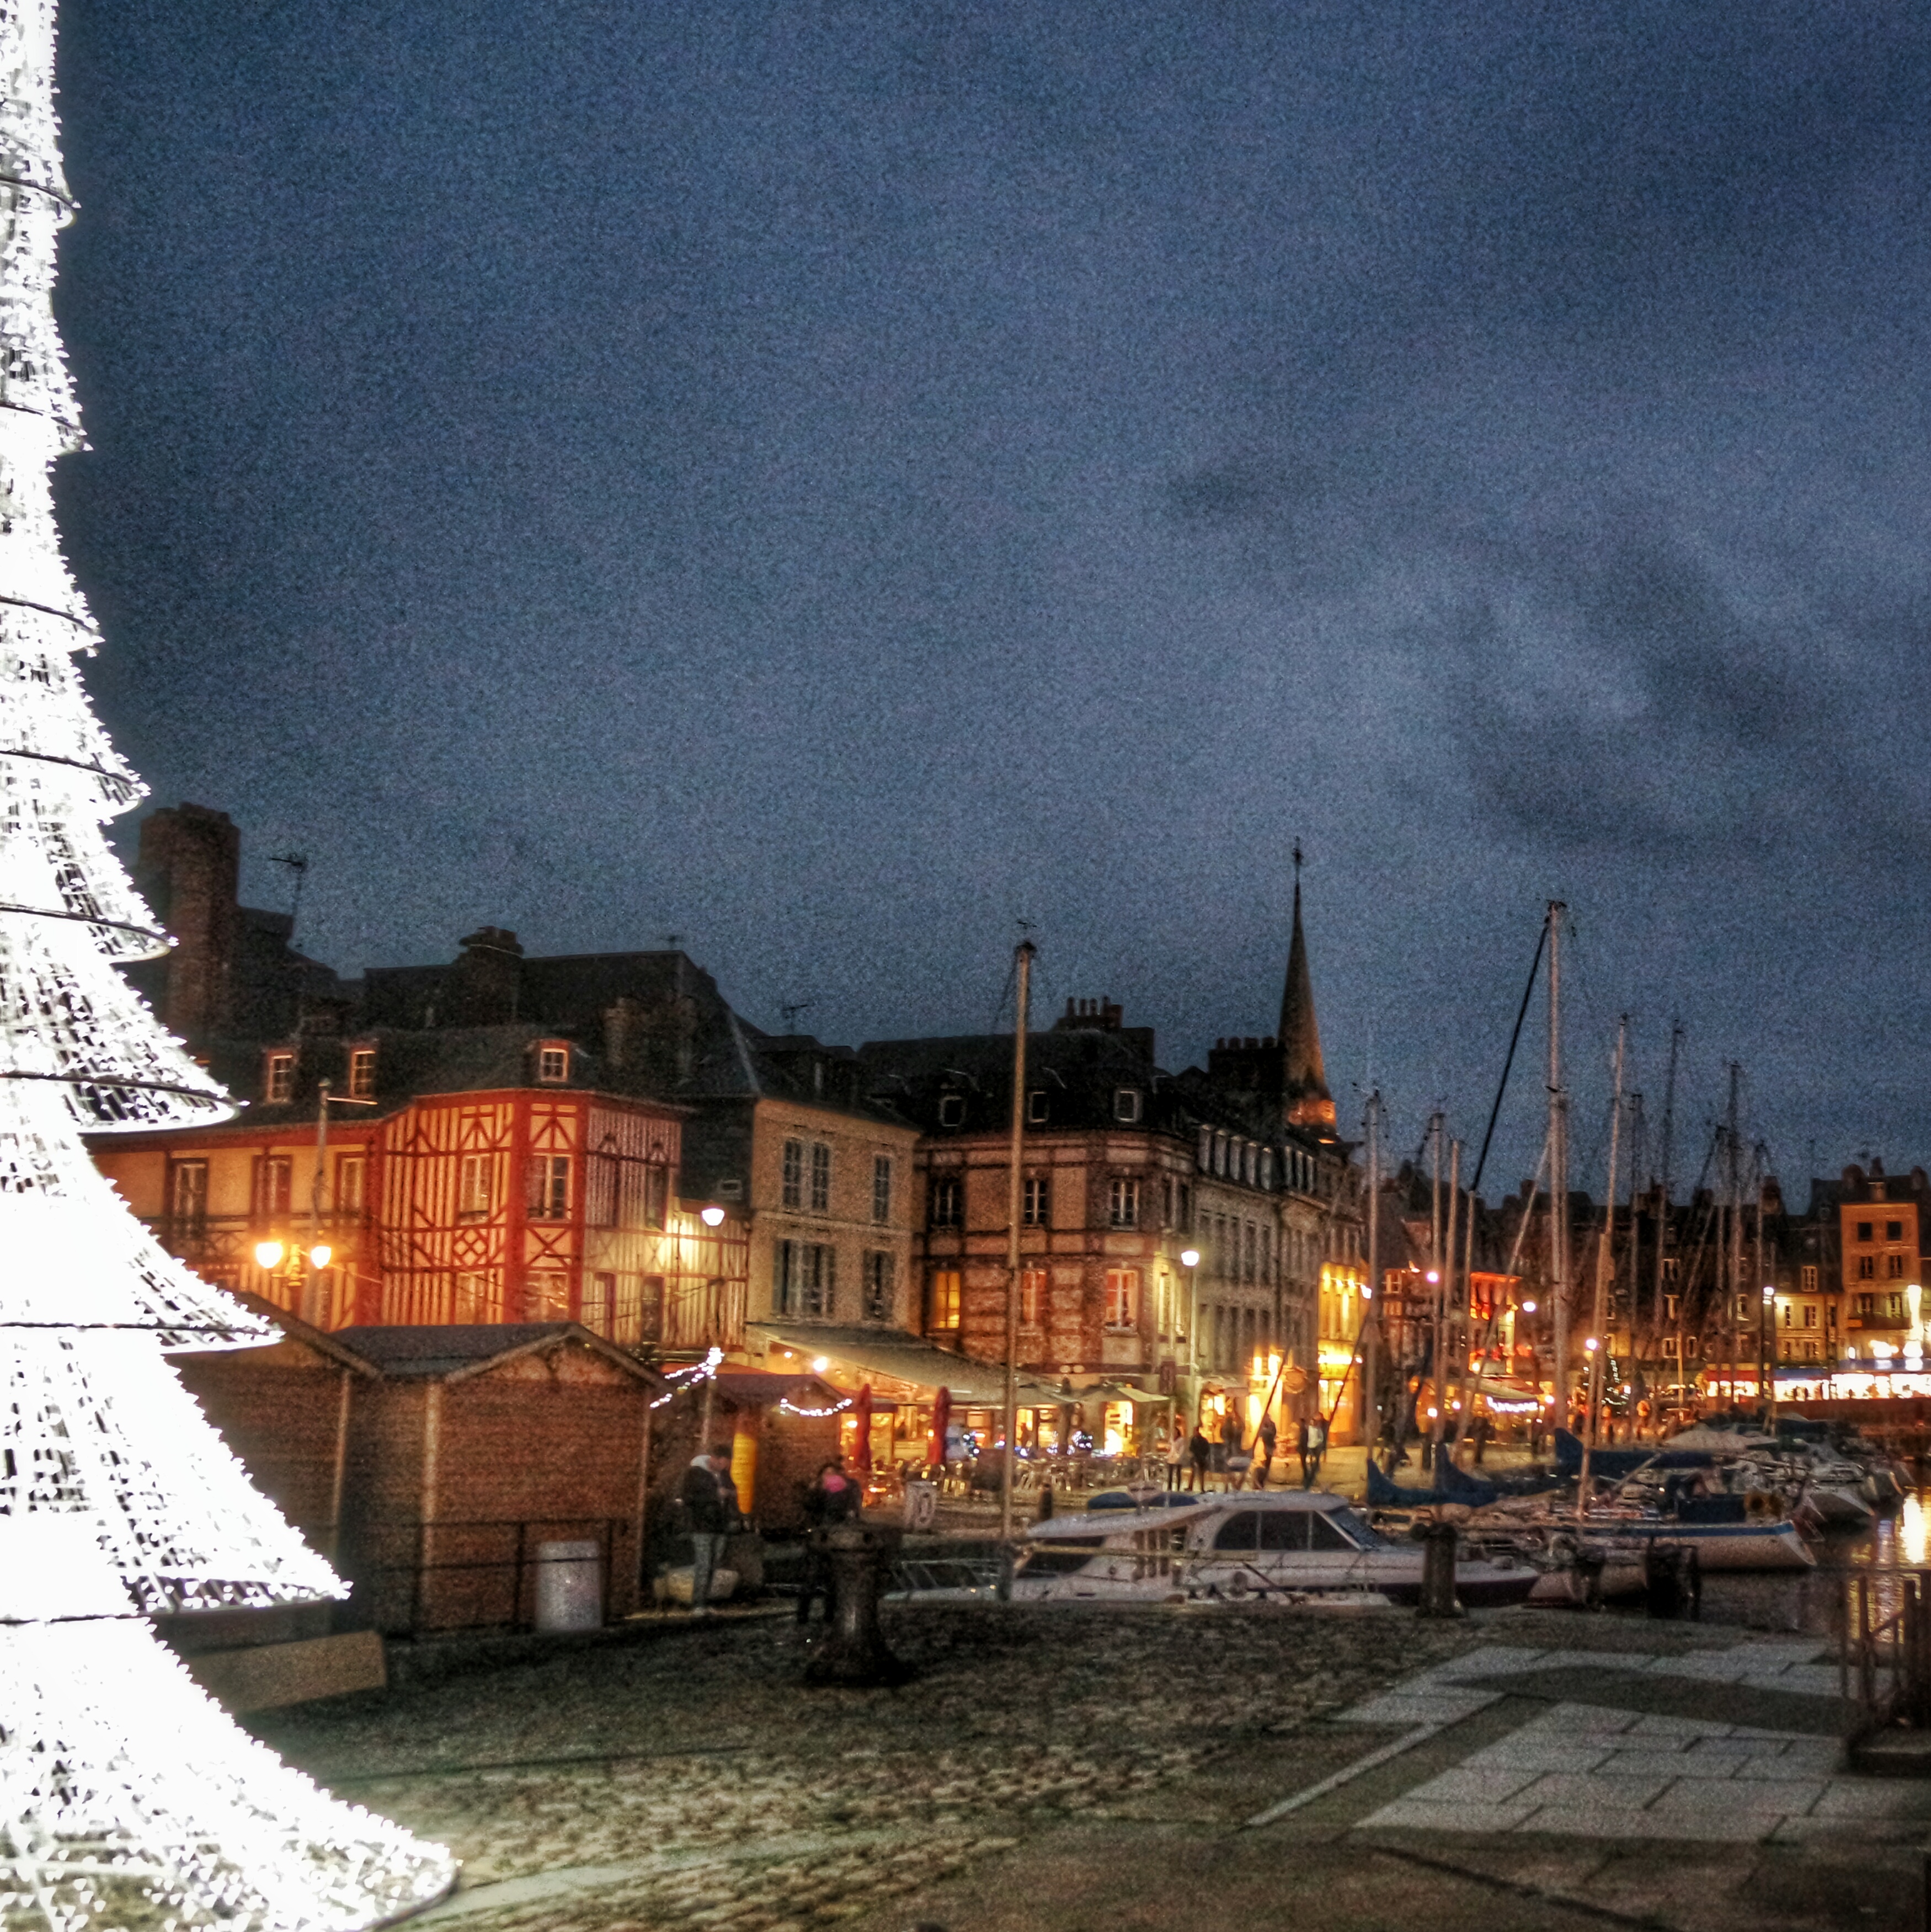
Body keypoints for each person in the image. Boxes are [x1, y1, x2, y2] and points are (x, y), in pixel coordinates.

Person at [797, 1455, 859, 1625]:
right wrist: (816, 1490)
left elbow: (851, 1510)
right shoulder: (817, 1488)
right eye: (827, 1474)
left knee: (833, 1579)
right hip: (818, 1538)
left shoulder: (846, 1490)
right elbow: (809, 1507)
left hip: (836, 1538)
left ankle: (829, 1615)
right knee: (811, 1578)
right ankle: (803, 1616)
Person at [680, 1443, 733, 1616]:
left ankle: (705, 1601)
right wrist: (715, 1496)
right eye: (723, 1463)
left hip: (719, 1525)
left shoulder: (723, 1475)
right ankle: (698, 1603)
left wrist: (730, 1495)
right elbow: (688, 1498)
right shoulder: (695, 1474)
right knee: (703, 1564)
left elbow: (733, 1490)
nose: (725, 1467)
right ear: (714, 1459)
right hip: (702, 1525)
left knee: (713, 1564)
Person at [1255, 1412, 1278, 1490]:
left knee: (1267, 1464)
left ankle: (1262, 1480)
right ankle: (1261, 1481)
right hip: (1265, 1447)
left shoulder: (1269, 1426)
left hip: (1269, 1447)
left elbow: (1272, 1434)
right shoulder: (1264, 1426)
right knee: (1264, 1465)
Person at [1187, 1424, 1212, 1492]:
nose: (1194, 1433)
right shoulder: (1194, 1440)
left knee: (1201, 1474)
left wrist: (1203, 1456)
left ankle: (1202, 1488)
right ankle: (1191, 1487)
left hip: (1201, 1458)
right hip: (1195, 1458)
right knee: (1193, 1473)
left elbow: (1206, 1449)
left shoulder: (1203, 1440)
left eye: (1195, 1431)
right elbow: (1191, 1448)